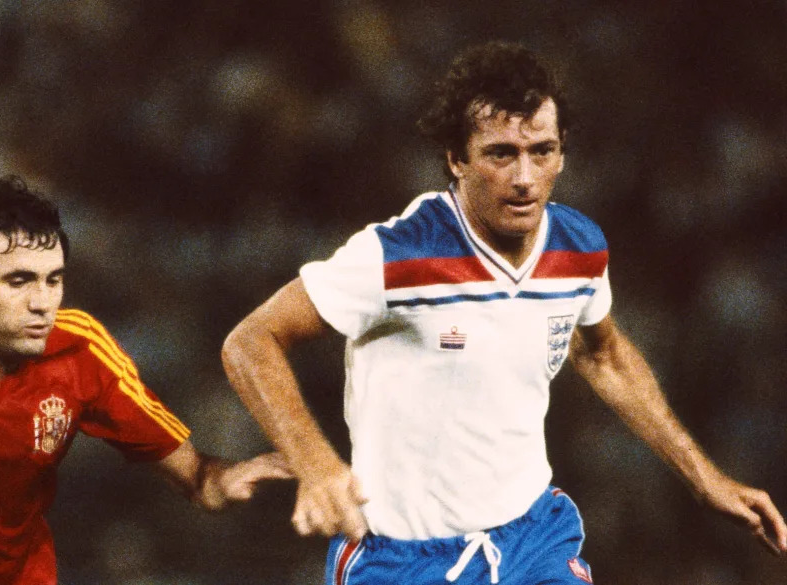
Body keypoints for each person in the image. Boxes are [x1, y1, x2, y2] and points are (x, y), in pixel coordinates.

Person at [220, 41, 787, 584]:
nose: (523, 177)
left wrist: (704, 476)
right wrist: (317, 465)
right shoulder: (398, 255)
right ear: (455, 159)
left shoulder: (579, 246)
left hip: (531, 540)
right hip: (401, 560)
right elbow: (250, 341)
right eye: (500, 153)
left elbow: (604, 357)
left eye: (541, 152)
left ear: (561, 153)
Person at [0, 176, 291, 584]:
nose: (42, 302)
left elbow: (197, 479)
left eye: (53, 280)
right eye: (19, 281)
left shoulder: (80, 353)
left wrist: (226, 479)